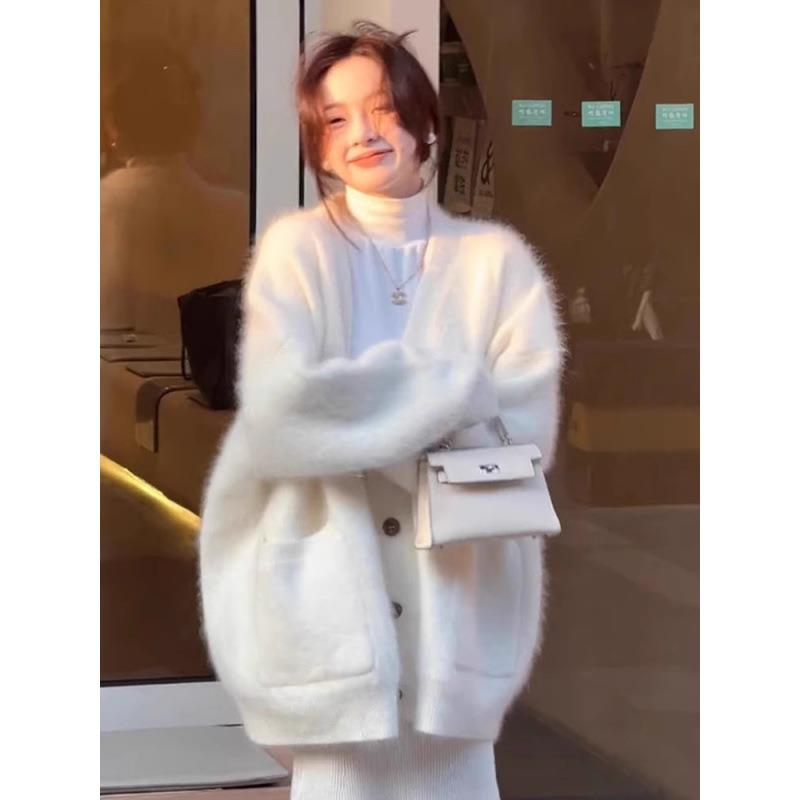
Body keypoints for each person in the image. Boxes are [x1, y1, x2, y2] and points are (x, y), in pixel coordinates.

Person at [197, 20, 566, 800]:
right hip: (330, 612)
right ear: (319, 148)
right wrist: (456, 388)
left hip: (457, 611)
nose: (361, 133)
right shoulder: (296, 250)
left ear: (423, 119)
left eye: (382, 108)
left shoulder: (497, 262)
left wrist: (359, 418)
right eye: (335, 120)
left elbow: (523, 434)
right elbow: (282, 413)